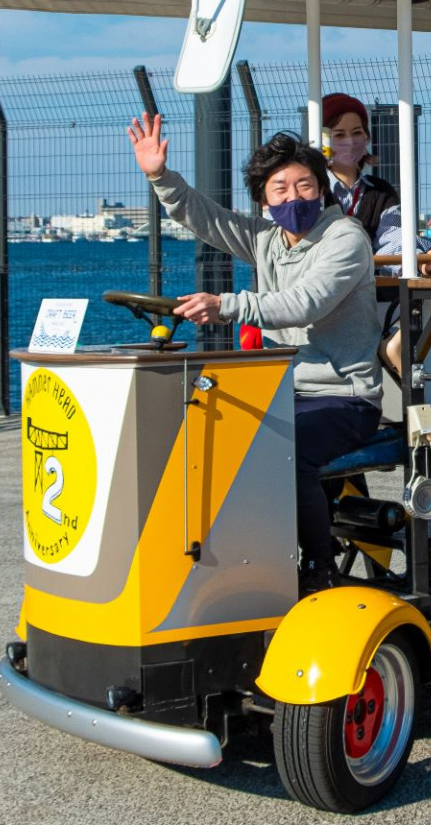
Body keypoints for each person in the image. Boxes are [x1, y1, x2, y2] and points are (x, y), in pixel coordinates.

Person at [127, 116, 383, 592]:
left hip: (344, 396)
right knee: (208, 440)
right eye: (279, 188)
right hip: (284, 390)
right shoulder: (266, 239)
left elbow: (305, 302)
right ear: (264, 199)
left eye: (304, 185)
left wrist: (226, 306)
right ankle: (233, 561)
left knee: (285, 452)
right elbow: (206, 218)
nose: (293, 197)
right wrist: (159, 176)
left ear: (321, 188)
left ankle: (318, 568)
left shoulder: (345, 237)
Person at [319, 93, 431, 274]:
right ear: (323, 140)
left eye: (357, 132)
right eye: (339, 135)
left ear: (366, 137)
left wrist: (418, 262)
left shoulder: (381, 191)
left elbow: (393, 235)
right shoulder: (312, 189)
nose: (349, 142)